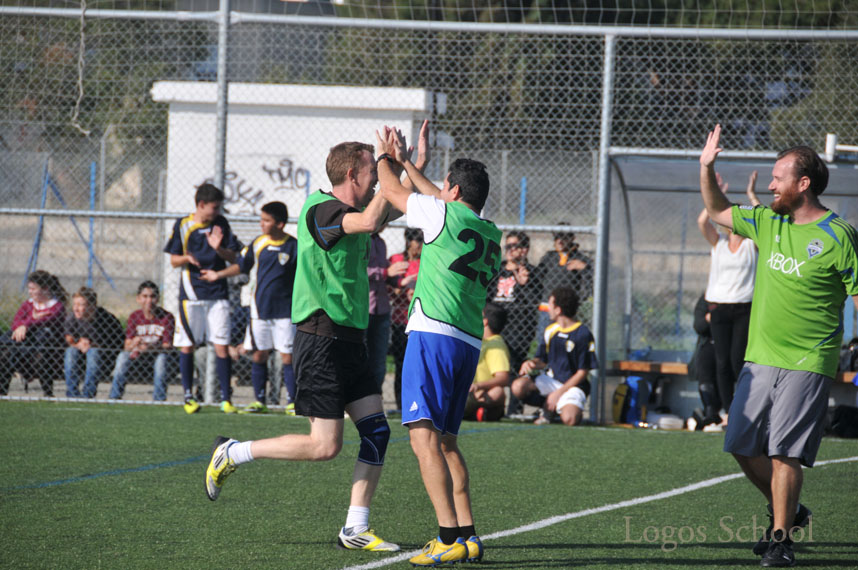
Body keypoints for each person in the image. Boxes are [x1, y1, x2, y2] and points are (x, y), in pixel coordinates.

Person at [203, 135, 410, 553]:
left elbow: (380, 211)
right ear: (352, 174)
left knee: (376, 433)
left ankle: (355, 528)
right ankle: (234, 451)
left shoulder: (351, 211)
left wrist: (403, 165)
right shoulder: (323, 210)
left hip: (349, 341)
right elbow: (371, 220)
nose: (376, 181)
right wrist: (392, 165)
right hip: (321, 340)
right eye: (372, 172)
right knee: (324, 446)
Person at [700, 124, 858, 567]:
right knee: (740, 443)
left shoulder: (839, 235)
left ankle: (780, 540)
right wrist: (706, 168)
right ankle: (792, 512)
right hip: (761, 356)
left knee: (783, 450)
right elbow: (716, 210)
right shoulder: (767, 222)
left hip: (810, 359)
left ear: (802, 184)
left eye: (777, 178)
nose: (770, 185)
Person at [377, 123, 501, 566]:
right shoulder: (490, 232)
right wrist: (414, 162)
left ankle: (447, 537)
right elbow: (438, 201)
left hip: (432, 334)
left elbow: (391, 191)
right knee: (447, 441)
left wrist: (386, 158)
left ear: (451, 189)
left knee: (422, 439)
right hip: (467, 343)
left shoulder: (441, 214)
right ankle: (468, 536)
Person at [200, 201, 298, 414]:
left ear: (280, 224)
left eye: (266, 220)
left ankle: (292, 402)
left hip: (285, 312)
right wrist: (218, 271)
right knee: (259, 354)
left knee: (287, 356)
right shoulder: (258, 243)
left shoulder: (294, 246)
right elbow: (240, 263)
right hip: (259, 310)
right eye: (261, 219)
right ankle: (259, 401)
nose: (261, 224)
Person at [163, 183, 242, 414]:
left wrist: (218, 249)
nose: (217, 212)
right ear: (201, 205)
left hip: (218, 295)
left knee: (221, 346)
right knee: (187, 345)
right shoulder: (183, 225)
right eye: (214, 207)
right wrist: (188, 257)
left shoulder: (221, 224)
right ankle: (188, 397)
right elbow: (173, 260)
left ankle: (226, 399)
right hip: (191, 295)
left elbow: (233, 256)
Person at [698, 171, 760, 421]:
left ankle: (747, 407)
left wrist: (752, 196)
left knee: (738, 360)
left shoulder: (751, 243)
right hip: (719, 309)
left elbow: (763, 221)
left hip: (744, 308)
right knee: (722, 362)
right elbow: (704, 221)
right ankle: (729, 412)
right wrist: (717, 193)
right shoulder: (718, 243)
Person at [511, 286, 598, 427]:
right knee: (518, 386)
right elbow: (542, 360)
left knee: (570, 419)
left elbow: (583, 372)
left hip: (573, 386)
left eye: (550, 305)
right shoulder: (550, 331)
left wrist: (558, 393)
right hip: (552, 381)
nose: (547, 308)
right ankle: (547, 407)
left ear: (558, 310)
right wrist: (531, 363)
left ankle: (561, 408)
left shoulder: (582, 333)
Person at [0, 270, 67, 397]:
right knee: (5, 352)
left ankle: (48, 393)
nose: (30, 291)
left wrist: (26, 323)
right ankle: (2, 393)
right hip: (23, 345)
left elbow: (47, 320)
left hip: (44, 349)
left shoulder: (56, 306)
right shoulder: (28, 304)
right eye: (29, 288)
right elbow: (15, 322)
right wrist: (29, 321)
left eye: (33, 288)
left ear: (45, 289)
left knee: (40, 355)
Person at [109, 281, 177, 401]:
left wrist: (150, 348)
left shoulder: (167, 317)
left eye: (152, 297)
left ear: (158, 299)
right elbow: (126, 346)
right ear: (138, 299)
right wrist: (134, 343)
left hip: (159, 358)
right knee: (122, 357)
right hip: (138, 359)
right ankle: (114, 397)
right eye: (145, 297)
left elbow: (168, 345)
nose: (149, 301)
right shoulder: (134, 317)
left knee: (161, 359)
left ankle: (159, 399)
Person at [488, 230, 541, 375]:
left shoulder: (532, 272)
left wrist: (525, 284)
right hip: (494, 327)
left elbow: (534, 303)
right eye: (507, 246)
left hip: (518, 329)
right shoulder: (497, 270)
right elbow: (487, 297)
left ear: (524, 249)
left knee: (512, 370)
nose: (510, 250)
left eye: (514, 246)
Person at [63, 287, 123, 398]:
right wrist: (78, 344)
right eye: (74, 304)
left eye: (81, 305)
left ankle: (88, 394)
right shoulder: (72, 317)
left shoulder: (106, 319)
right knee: (71, 351)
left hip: (103, 361)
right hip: (81, 358)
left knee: (94, 352)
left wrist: (91, 345)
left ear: (92, 306)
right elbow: (69, 338)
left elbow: (114, 344)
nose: (76, 308)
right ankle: (72, 394)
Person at [387, 227, 423, 412]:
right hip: (400, 319)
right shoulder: (396, 260)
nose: (422, 245)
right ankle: (401, 405)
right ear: (409, 242)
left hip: (420, 320)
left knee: (419, 364)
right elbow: (387, 288)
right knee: (401, 363)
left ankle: (417, 403)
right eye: (419, 241)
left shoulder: (426, 261)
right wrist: (401, 288)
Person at [463, 303, 511, 422]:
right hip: (467, 390)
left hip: (478, 393)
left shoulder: (495, 345)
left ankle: (471, 412)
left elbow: (503, 378)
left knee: (497, 392)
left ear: (485, 322)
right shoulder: (478, 341)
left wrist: (478, 386)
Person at [366, 231, 392, 392]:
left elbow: (386, 274)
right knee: (359, 357)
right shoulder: (359, 239)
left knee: (379, 360)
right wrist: (386, 272)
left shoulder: (381, 242)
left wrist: (400, 278)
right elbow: (360, 269)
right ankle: (353, 399)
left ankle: (375, 396)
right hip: (364, 308)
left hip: (382, 309)